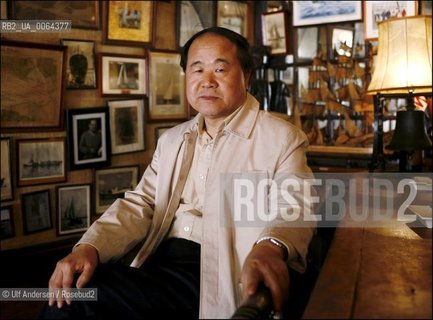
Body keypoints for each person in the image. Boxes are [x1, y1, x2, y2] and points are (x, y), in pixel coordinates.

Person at [40, 27, 315, 319]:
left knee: (78, 303)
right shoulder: (173, 139)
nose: (207, 81)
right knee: (71, 291)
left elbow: (294, 206)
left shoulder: (280, 137)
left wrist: (270, 247)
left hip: (220, 268)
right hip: (158, 260)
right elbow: (141, 204)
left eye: (220, 69)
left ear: (246, 77)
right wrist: (90, 246)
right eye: (197, 70)